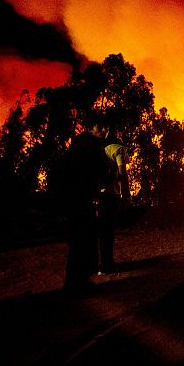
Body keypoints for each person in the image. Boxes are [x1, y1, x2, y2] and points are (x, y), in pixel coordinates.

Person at [58, 117, 112, 293]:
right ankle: (79, 282)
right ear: (93, 128)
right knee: (85, 239)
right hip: (82, 199)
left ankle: (75, 280)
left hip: (72, 198)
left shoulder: (77, 144)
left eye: (106, 129)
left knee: (79, 240)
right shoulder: (90, 145)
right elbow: (101, 168)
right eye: (101, 128)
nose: (104, 132)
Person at [96, 131, 130, 274]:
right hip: (112, 195)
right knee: (108, 232)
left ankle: (100, 263)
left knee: (102, 231)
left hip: (100, 194)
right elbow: (122, 172)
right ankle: (106, 265)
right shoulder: (119, 149)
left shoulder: (103, 150)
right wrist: (126, 194)